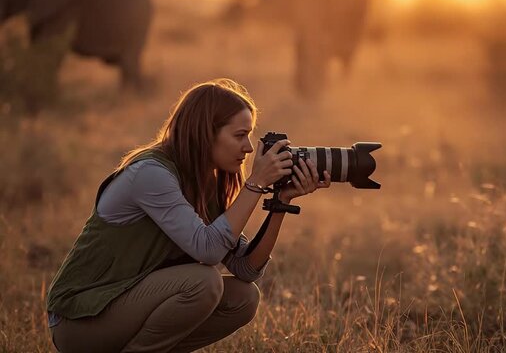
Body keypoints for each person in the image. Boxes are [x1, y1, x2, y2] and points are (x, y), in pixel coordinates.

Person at [46, 78, 331, 352]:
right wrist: (255, 184)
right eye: (240, 135)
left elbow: (246, 269)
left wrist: (280, 201)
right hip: (80, 320)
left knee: (244, 297)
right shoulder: (151, 174)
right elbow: (207, 250)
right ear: (206, 133)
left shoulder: (205, 181)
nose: (249, 147)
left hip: (126, 304)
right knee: (203, 282)